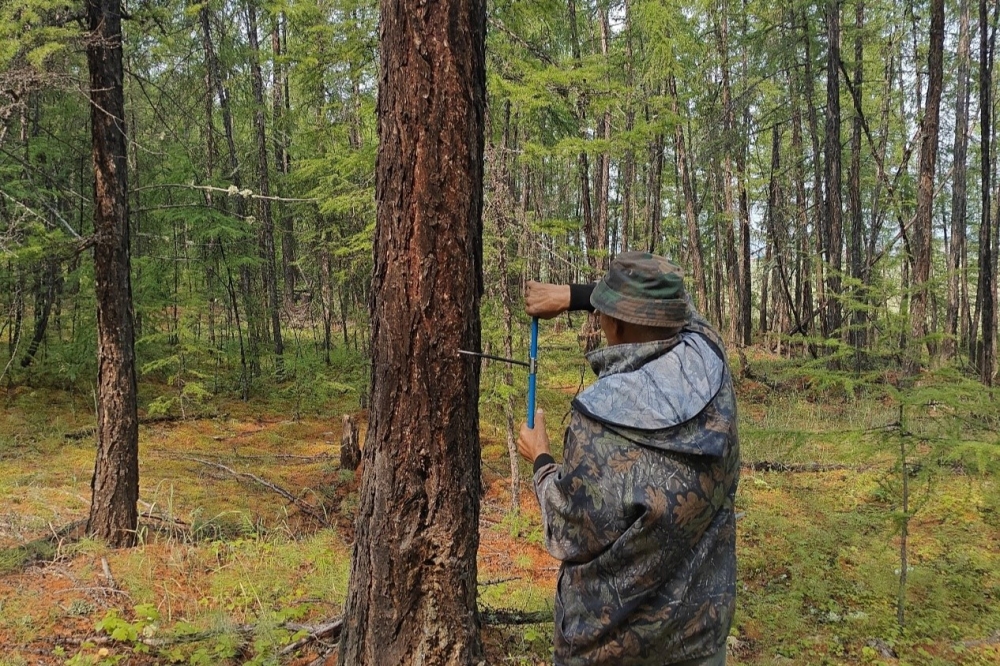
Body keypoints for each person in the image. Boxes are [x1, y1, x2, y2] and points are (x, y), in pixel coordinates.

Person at [517, 252, 739, 666]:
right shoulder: (711, 360)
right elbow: (683, 312)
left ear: (613, 323)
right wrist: (573, 296)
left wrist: (541, 458)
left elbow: (569, 530)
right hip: (698, 636)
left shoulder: (600, 418)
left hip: (611, 646)